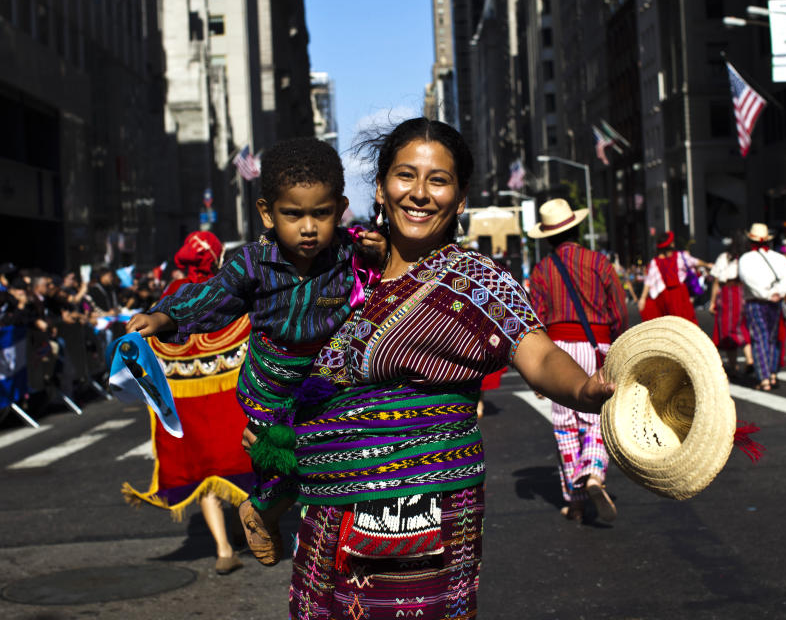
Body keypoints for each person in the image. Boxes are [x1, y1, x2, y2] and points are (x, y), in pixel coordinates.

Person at [268, 118, 614, 619]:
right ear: (383, 186)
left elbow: (537, 354)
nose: (420, 193)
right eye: (406, 175)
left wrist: (583, 389)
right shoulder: (334, 272)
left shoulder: (477, 279)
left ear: (461, 196)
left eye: (439, 180)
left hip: (422, 509)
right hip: (324, 515)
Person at [126, 137, 386, 567]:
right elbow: (211, 299)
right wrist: (162, 318)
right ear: (267, 212)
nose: (308, 227)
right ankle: (261, 513)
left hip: (330, 383)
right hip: (271, 385)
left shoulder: (350, 253)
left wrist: (380, 255)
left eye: (321, 214)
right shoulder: (252, 263)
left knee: (341, 465)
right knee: (285, 468)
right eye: (293, 214)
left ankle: (331, 544)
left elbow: (389, 281)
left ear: (340, 209)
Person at [122, 232, 254, 575]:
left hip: (186, 406)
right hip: (229, 399)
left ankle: (224, 548)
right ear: (215, 257)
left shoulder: (168, 298)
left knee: (203, 473)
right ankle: (242, 526)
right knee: (239, 462)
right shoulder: (225, 292)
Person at [527, 198, 628, 523]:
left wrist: (540, 375)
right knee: (597, 417)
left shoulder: (541, 270)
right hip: (596, 346)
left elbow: (536, 319)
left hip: (558, 351)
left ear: (546, 236)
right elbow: (618, 311)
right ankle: (595, 473)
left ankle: (575, 499)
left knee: (565, 427)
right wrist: (618, 344)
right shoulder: (599, 262)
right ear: (577, 227)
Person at [738, 223, 786, 391]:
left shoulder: (746, 259)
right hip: (775, 301)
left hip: (757, 301)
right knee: (772, 338)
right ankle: (771, 373)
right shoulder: (778, 258)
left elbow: (748, 279)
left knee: (759, 338)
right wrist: (778, 292)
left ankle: (764, 378)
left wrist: (765, 293)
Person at [708, 232, 753, 376]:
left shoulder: (724, 258)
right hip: (742, 292)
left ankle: (734, 366)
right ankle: (749, 358)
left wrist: (712, 302)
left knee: (727, 329)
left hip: (727, 293)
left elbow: (716, 281)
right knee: (742, 325)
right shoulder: (747, 259)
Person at [637, 231, 704, 323]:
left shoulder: (656, 261)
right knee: (682, 320)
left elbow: (649, 281)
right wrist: (708, 265)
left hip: (668, 295)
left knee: (673, 321)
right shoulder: (679, 256)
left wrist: (643, 298)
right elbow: (695, 261)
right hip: (677, 294)